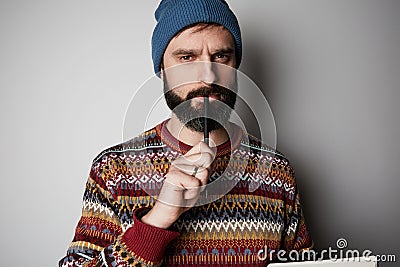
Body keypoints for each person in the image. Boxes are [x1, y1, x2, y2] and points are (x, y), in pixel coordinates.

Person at [59, 0, 312, 266]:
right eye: (187, 58)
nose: (209, 76)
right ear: (162, 69)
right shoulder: (113, 170)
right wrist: (157, 221)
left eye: (221, 56)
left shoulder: (276, 171)